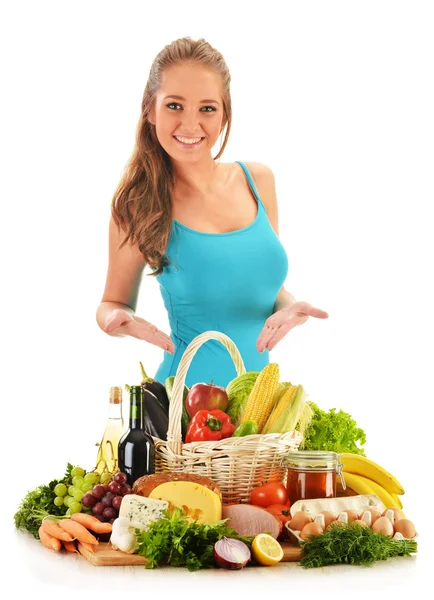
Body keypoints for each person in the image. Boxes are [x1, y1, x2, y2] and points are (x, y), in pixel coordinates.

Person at [96, 36, 329, 388]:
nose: (190, 126)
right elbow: (112, 303)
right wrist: (118, 319)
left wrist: (288, 306)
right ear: (150, 109)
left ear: (224, 114)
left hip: (254, 410)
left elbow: (263, 286)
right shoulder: (138, 205)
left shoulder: (258, 181)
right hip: (183, 416)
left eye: (207, 108)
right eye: (174, 106)